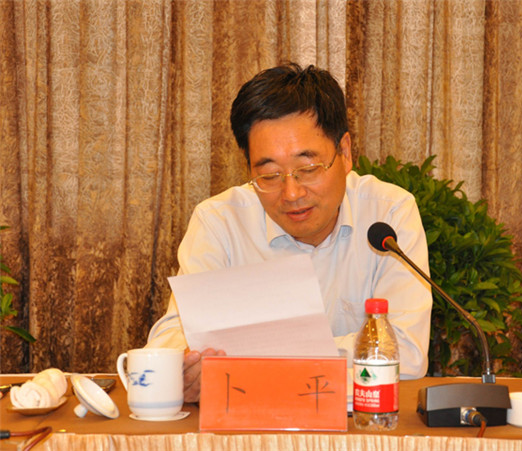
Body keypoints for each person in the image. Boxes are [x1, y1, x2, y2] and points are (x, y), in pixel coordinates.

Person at [147, 63, 432, 402]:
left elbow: (406, 353)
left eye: (307, 168)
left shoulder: (389, 214)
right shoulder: (220, 223)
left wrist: (254, 359)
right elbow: (171, 338)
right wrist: (186, 368)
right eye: (269, 175)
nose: (292, 193)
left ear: (344, 153)